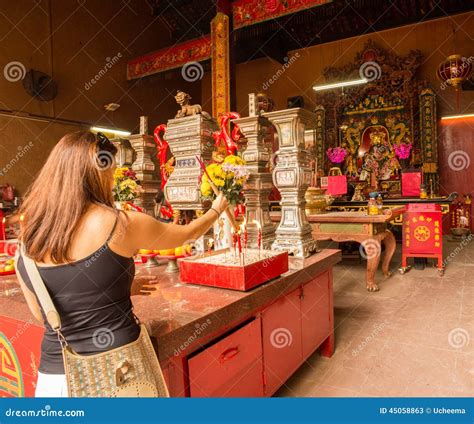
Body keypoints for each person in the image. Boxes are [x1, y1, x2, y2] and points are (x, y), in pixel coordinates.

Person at [14, 131, 228, 397]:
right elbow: (188, 234)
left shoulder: (27, 239)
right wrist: (217, 209)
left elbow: (44, 311)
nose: (112, 181)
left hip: (55, 380)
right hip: (119, 373)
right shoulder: (121, 224)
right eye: (111, 172)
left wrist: (115, 287)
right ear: (97, 173)